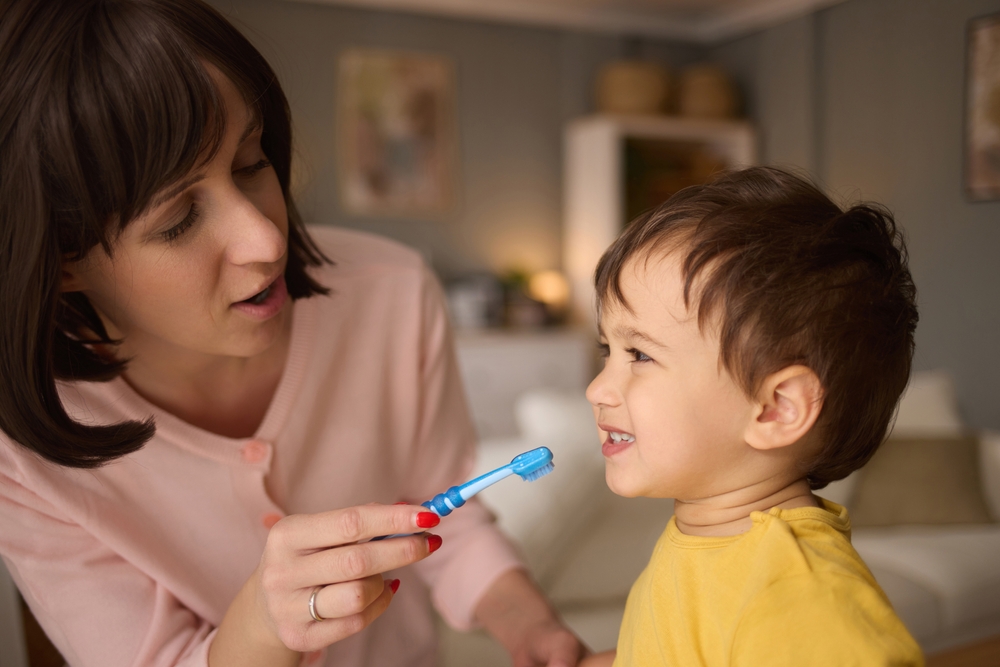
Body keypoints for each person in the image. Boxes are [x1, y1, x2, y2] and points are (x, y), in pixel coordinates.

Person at [0, 1, 585, 666]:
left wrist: (532, 628)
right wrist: (262, 629)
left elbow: (444, 505)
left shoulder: (391, 293)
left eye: (251, 162)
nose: (266, 236)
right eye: (178, 218)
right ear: (65, 259)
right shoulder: (21, 457)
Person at [578, 167, 924, 666]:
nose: (596, 389)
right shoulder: (708, 541)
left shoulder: (800, 600)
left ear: (777, 409)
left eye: (640, 355)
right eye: (606, 348)